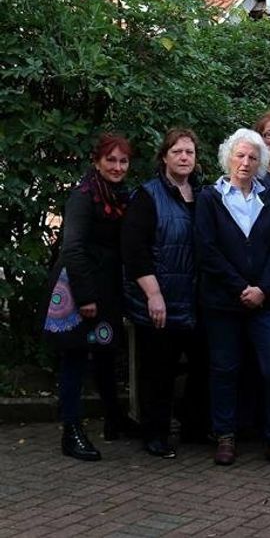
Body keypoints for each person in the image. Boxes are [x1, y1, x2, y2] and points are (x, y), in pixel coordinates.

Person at [195, 128, 270, 470]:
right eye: (240, 155)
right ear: (228, 158)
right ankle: (225, 437)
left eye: (253, 157)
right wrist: (240, 286)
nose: (246, 162)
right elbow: (207, 250)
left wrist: (263, 289)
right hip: (223, 301)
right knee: (225, 369)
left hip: (267, 301)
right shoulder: (210, 198)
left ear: (261, 163)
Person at [46, 134, 134, 462]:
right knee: (75, 358)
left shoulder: (115, 194)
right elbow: (73, 247)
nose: (117, 166)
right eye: (111, 160)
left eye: (123, 161)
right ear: (97, 161)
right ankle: (71, 430)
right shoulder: (84, 196)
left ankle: (114, 419)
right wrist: (86, 297)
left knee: (106, 353)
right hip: (78, 288)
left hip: (105, 287)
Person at [122, 128, 208, 458]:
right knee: (158, 371)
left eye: (189, 152)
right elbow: (134, 250)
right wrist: (153, 294)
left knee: (202, 365)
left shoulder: (203, 194)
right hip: (159, 300)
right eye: (177, 152)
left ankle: (193, 428)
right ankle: (154, 434)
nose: (184, 157)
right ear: (164, 157)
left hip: (194, 299)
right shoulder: (147, 196)